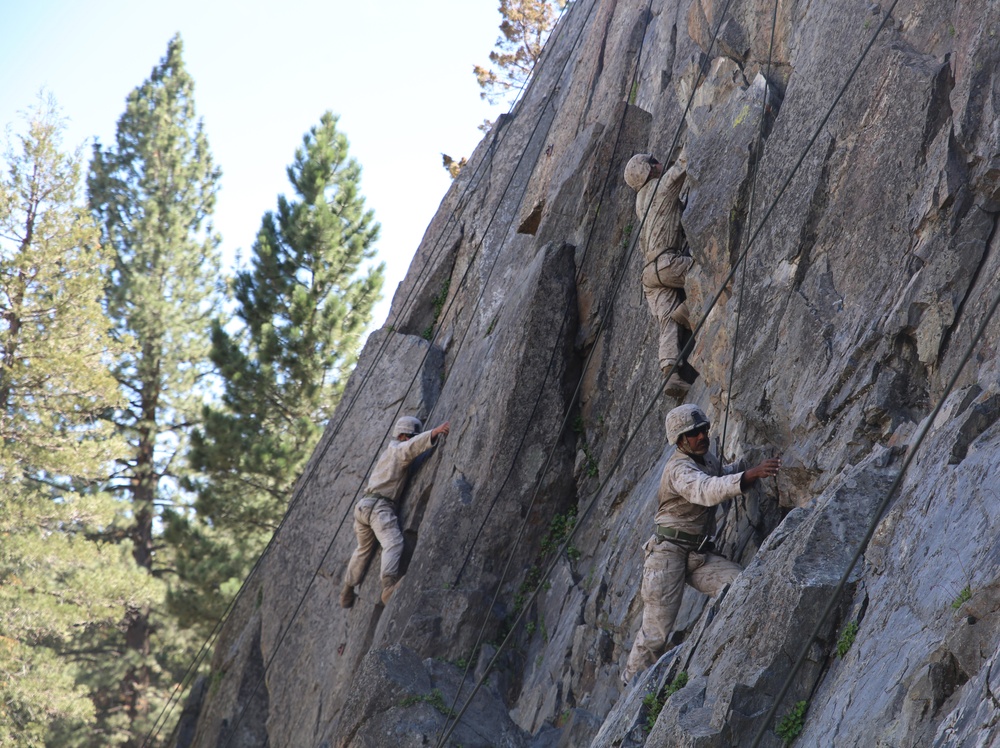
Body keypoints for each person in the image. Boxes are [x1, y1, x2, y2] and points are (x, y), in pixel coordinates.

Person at [621, 403, 780, 686]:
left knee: (738, 584)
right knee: (656, 632)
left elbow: (717, 475)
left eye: (703, 429)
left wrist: (745, 467)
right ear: (680, 441)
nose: (701, 436)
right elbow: (705, 490)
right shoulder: (679, 468)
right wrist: (749, 475)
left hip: (697, 554)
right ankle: (631, 690)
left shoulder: (705, 459)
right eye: (693, 433)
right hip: (666, 554)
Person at [340, 416, 450, 608]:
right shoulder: (397, 450)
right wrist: (433, 433)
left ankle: (347, 589)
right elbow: (409, 449)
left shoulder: (387, 454)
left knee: (363, 550)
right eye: (409, 436)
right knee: (394, 542)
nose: (410, 440)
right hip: (379, 507)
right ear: (401, 436)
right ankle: (388, 587)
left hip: (363, 506)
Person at [624, 150, 696, 397]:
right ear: (650, 169)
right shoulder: (660, 188)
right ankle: (688, 312)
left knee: (665, 320)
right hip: (668, 261)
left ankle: (670, 372)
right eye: (653, 161)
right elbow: (682, 167)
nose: (659, 162)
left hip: (649, 275)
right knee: (703, 275)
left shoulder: (639, 203)